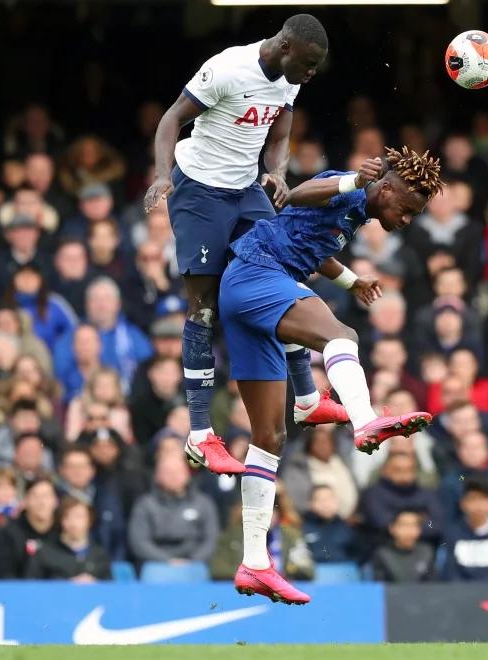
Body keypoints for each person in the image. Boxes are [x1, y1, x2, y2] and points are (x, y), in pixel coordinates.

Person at [216, 148, 442, 603]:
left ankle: (255, 562)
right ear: (386, 189)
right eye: (406, 209)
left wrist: (351, 281)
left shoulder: (359, 211)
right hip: (258, 277)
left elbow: (308, 244)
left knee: (269, 438)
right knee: (341, 335)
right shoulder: (352, 186)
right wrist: (353, 180)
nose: (406, 220)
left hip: (244, 294)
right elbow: (297, 195)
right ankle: (363, 421)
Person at [145, 15, 341, 474]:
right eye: (309, 64)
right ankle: (200, 435)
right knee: (204, 308)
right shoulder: (229, 69)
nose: (312, 74)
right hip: (199, 191)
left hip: (246, 189)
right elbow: (171, 118)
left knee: (279, 279)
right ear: (286, 46)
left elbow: (279, 137)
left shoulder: (289, 81)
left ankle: (308, 399)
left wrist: (276, 172)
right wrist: (160, 175)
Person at [440, 478, 488, 582]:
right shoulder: (453, 532)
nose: (478, 505)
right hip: (461, 595)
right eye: (472, 499)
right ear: (462, 504)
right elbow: (450, 574)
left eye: (483, 499)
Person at [25, 497, 113, 582]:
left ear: (89, 520)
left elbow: (111, 590)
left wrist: (95, 585)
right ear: (61, 520)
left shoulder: (100, 555)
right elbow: (32, 587)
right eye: (67, 516)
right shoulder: (44, 553)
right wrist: (67, 586)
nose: (73, 522)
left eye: (79, 516)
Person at [370, 510, 435, 583]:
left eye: (414, 525)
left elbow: (432, 586)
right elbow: (380, 587)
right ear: (392, 528)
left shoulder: (426, 552)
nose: (409, 531)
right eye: (404, 525)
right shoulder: (382, 555)